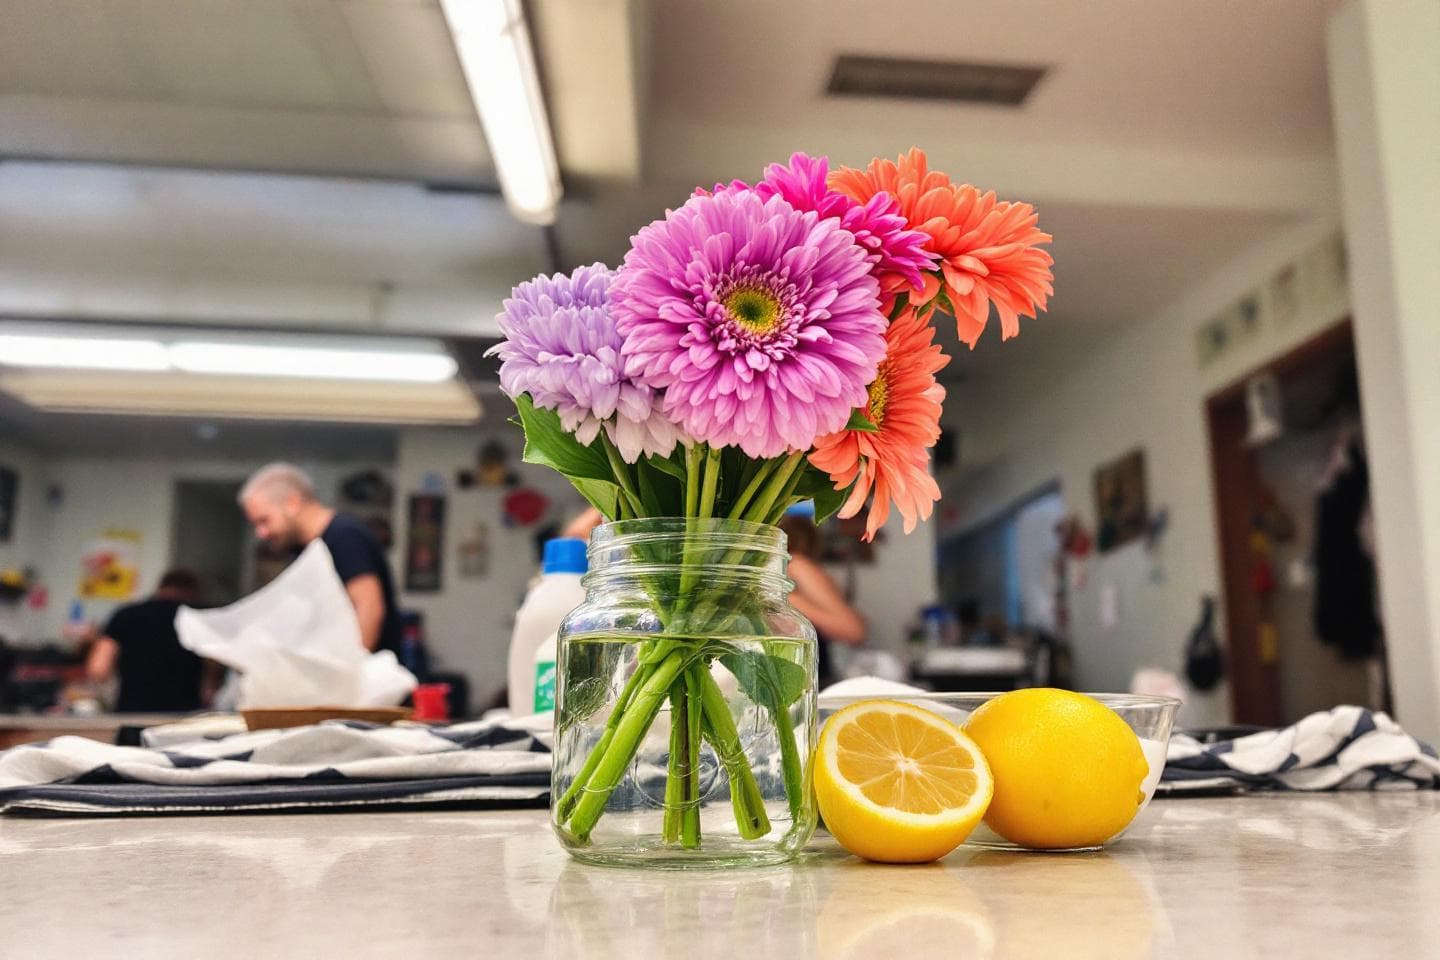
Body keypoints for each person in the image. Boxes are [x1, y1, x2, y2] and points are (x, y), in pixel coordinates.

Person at [239, 463, 402, 655]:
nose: (261, 533)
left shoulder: (344, 536)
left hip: (359, 679)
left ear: (292, 504)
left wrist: (346, 673)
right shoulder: (302, 550)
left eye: (264, 520)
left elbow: (370, 608)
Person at [86, 568, 213, 712]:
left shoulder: (126, 615)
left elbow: (98, 668)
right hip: (183, 713)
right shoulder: (197, 616)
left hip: (131, 710)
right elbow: (214, 665)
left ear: (160, 587)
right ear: (193, 591)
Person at [778, 513, 867, 688]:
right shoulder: (795, 566)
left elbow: (854, 630)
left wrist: (788, 599)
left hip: (811, 683)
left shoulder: (796, 564)